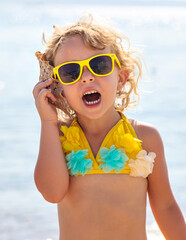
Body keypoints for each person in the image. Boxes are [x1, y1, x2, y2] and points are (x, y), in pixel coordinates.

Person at [32, 14, 186, 240]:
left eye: (99, 65)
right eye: (70, 72)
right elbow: (52, 193)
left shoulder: (144, 137)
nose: (86, 78)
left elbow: (166, 207)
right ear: (58, 86)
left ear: (121, 77)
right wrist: (48, 122)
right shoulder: (58, 135)